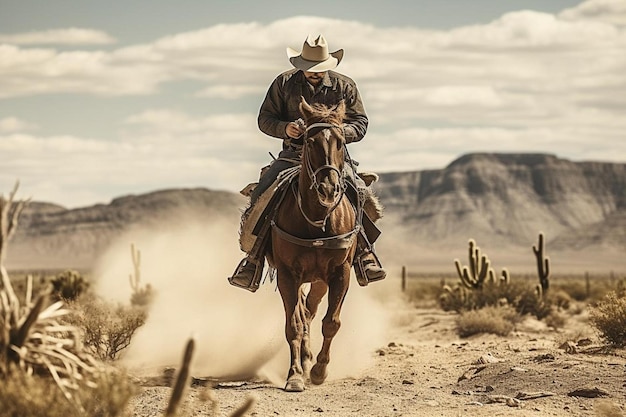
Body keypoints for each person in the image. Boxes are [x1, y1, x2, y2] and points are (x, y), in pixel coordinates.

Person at [228, 34, 386, 291]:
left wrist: (335, 132)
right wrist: (285, 128)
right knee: (262, 192)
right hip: (293, 156)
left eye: (319, 69)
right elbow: (265, 119)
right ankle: (253, 259)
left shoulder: (344, 86)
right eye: (309, 69)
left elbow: (360, 123)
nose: (314, 73)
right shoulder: (283, 83)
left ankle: (364, 254)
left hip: (332, 158)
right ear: (300, 64)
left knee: (358, 192)